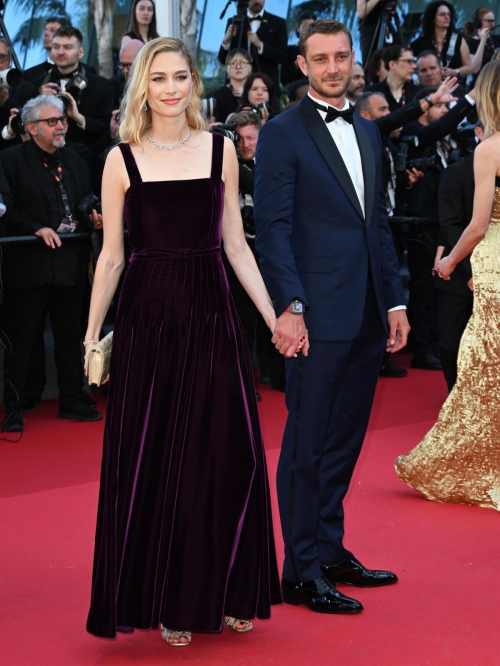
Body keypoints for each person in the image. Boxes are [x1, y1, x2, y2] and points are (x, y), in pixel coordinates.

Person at [85, 37, 282, 646]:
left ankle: (225, 589)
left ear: (195, 83)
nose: (171, 88)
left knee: (223, 453)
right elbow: (112, 258)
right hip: (148, 319)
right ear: (142, 85)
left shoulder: (221, 148)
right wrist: (92, 334)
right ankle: (170, 598)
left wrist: (273, 318)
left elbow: (236, 246)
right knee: (160, 456)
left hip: (210, 313)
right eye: (159, 77)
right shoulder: (121, 159)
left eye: (181, 76)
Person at [255, 19, 409, 615]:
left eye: (341, 57)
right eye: (321, 59)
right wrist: (290, 308)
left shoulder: (368, 132)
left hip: (368, 312)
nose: (333, 67)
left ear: (353, 60)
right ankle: (299, 569)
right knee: (307, 444)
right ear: (302, 64)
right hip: (315, 317)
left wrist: (393, 300)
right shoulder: (281, 133)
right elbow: (272, 230)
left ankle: (329, 548)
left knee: (344, 441)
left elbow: (377, 226)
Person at [395, 60, 500, 511]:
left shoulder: (490, 148)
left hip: (492, 261)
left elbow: (476, 226)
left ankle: (474, 464)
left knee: (483, 368)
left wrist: (449, 262)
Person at [0, 96, 102, 433]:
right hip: (29, 264)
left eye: (63, 121)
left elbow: (84, 200)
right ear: (31, 128)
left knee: (70, 336)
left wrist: (92, 217)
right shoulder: (9, 161)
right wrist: (34, 229)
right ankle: (15, 406)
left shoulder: (76, 159)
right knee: (23, 339)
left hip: (70, 263)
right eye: (53, 121)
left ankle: (72, 398)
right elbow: (7, 211)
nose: (61, 126)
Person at [400, 87, 477, 371]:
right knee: (423, 288)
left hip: (440, 225)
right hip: (422, 225)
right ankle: (422, 348)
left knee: (436, 291)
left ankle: (432, 343)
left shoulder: (443, 144)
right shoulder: (414, 133)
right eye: (440, 106)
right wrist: (470, 99)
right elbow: (442, 127)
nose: (445, 111)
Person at [433, 124, 483, 392]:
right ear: (479, 133)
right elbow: (450, 227)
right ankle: (456, 396)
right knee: (452, 343)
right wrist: (470, 271)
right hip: (458, 274)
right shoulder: (457, 172)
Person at [32, 26, 114, 156]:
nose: (60, 52)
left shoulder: (101, 86)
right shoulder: (37, 85)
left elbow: (107, 128)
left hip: (86, 160)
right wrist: (39, 100)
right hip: (44, 158)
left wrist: (79, 118)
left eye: (67, 47)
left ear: (81, 52)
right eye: (56, 47)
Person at [218, 0, 287, 91]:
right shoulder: (234, 21)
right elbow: (223, 59)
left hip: (266, 88)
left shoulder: (278, 22)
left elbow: (282, 56)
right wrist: (226, 41)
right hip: (237, 88)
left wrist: (261, 45)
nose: (257, 1)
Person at [410, 2, 483, 80]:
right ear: (432, 18)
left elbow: (469, 67)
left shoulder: (458, 39)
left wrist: (455, 72)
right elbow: (411, 67)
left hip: (454, 87)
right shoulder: (418, 43)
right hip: (427, 88)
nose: (447, 17)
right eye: (442, 14)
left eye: (449, 14)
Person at [23, 16, 96, 82]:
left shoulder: (87, 71)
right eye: (45, 30)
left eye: (53, 30)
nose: (46, 33)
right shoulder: (29, 75)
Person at [0, 38, 37, 150]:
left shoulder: (27, 90)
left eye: (2, 57)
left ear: (9, 60)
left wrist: (7, 102)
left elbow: (32, 133)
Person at [366, 45, 418, 112]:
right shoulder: (371, 93)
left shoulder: (417, 93)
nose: (414, 66)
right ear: (392, 65)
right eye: (409, 61)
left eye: (414, 62)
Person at [208, 48, 252, 124]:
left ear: (250, 67)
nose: (238, 67)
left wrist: (246, 96)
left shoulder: (258, 93)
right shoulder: (216, 95)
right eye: (233, 63)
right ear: (227, 68)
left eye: (242, 63)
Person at [357, 0, 403, 66]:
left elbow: (394, 8)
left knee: (397, 54)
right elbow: (361, 12)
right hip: (370, 29)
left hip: (387, 25)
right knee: (371, 64)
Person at [281, 10, 317, 86]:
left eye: (311, 27)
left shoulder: (320, 50)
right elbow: (283, 79)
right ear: (298, 27)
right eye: (304, 27)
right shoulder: (289, 50)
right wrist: (296, 64)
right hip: (295, 94)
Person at [465, 8, 500, 83]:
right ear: (478, 22)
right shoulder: (470, 42)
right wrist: (483, 40)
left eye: (494, 21)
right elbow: (474, 69)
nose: (493, 24)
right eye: (489, 21)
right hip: (480, 84)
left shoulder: (497, 39)